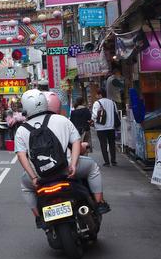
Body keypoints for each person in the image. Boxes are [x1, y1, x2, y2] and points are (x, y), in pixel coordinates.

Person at [16, 89, 110, 229]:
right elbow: (77, 141)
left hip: (41, 176)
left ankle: (38, 218)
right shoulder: (61, 120)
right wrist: (73, 164)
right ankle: (99, 203)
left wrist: (34, 177)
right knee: (92, 167)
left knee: (25, 187)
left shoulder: (21, 130)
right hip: (66, 170)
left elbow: (21, 155)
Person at [92, 88, 119, 166]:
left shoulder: (97, 103)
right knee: (112, 144)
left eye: (97, 94)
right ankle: (113, 161)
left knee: (103, 144)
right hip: (111, 127)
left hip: (101, 128)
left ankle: (107, 162)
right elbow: (116, 113)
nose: (96, 96)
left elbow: (94, 115)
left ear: (100, 94)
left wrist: (92, 121)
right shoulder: (112, 102)